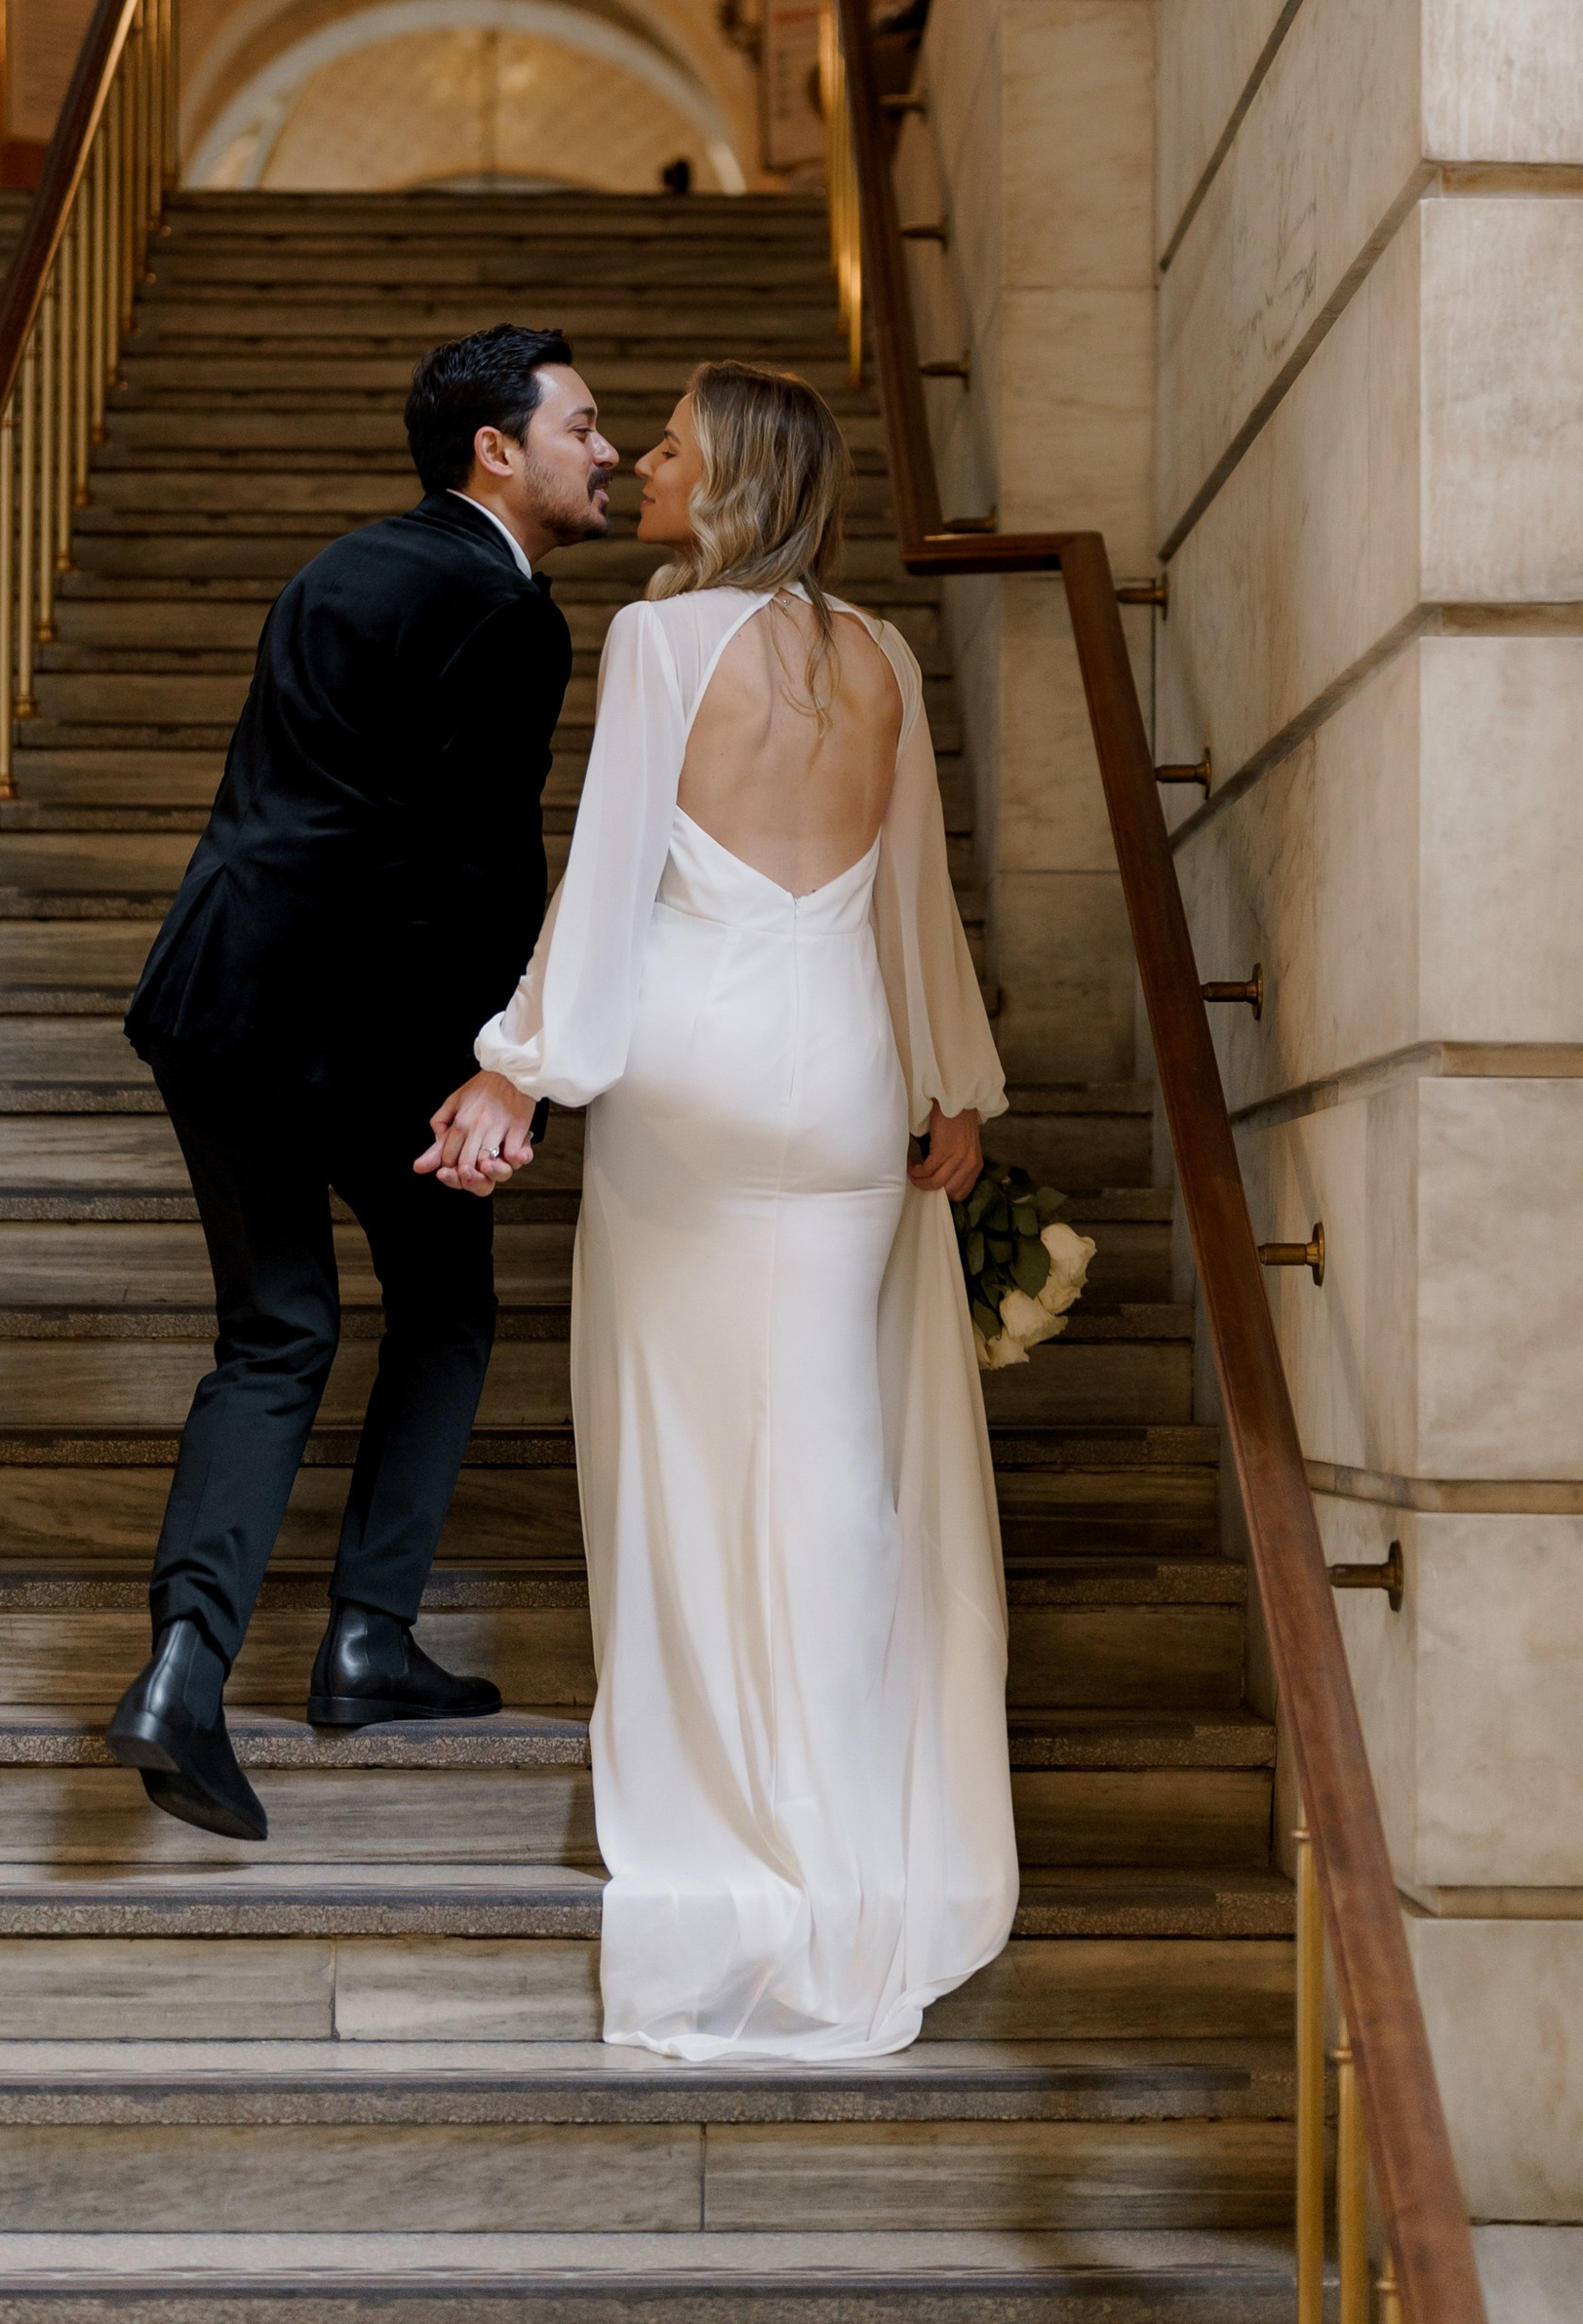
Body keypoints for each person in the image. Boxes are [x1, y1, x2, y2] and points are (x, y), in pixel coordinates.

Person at [424, 362, 1018, 2059]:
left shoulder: (664, 644)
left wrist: (518, 1068)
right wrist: (951, 1083)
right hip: (843, 1072)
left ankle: (728, 1822)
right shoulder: (887, 657)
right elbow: (917, 895)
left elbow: (609, 872)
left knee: (683, 1453)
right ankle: (839, 1811)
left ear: (738, 479)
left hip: (690, 1080)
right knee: (827, 1451)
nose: (649, 468)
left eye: (673, 448)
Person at [104, 324, 616, 1840]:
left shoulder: (336, 569)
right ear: (497, 451)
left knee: (275, 1333)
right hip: (370, 1026)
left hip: (216, 998)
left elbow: (289, 802)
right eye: (585, 426)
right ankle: (365, 1637)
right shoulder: (511, 616)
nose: (610, 453)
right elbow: (467, 862)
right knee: (447, 1315)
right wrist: (499, 1070)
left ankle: (183, 1672)